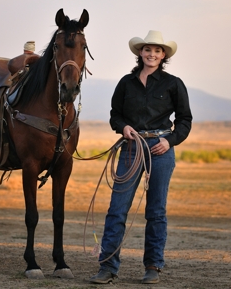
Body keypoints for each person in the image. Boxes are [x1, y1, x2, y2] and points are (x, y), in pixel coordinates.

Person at [89, 30, 192, 284]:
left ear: (163, 55)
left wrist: (169, 141)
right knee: (117, 209)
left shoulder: (173, 83)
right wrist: (122, 127)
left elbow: (185, 120)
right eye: (148, 49)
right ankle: (107, 267)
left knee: (156, 211)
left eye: (157, 50)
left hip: (160, 149)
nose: (152, 54)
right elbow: (116, 115)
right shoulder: (126, 82)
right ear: (140, 52)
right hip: (132, 148)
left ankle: (153, 267)